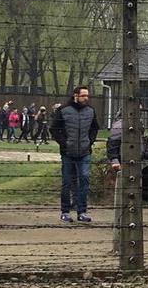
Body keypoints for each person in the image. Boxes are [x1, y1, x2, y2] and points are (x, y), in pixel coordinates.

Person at [50, 86, 99, 223]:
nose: (86, 98)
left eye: (87, 96)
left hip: (84, 151)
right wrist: (64, 144)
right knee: (66, 181)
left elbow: (95, 128)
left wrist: (90, 142)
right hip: (68, 152)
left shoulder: (90, 111)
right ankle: (65, 211)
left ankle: (82, 211)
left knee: (84, 179)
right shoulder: (64, 110)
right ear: (76, 95)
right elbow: (54, 128)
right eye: (83, 96)